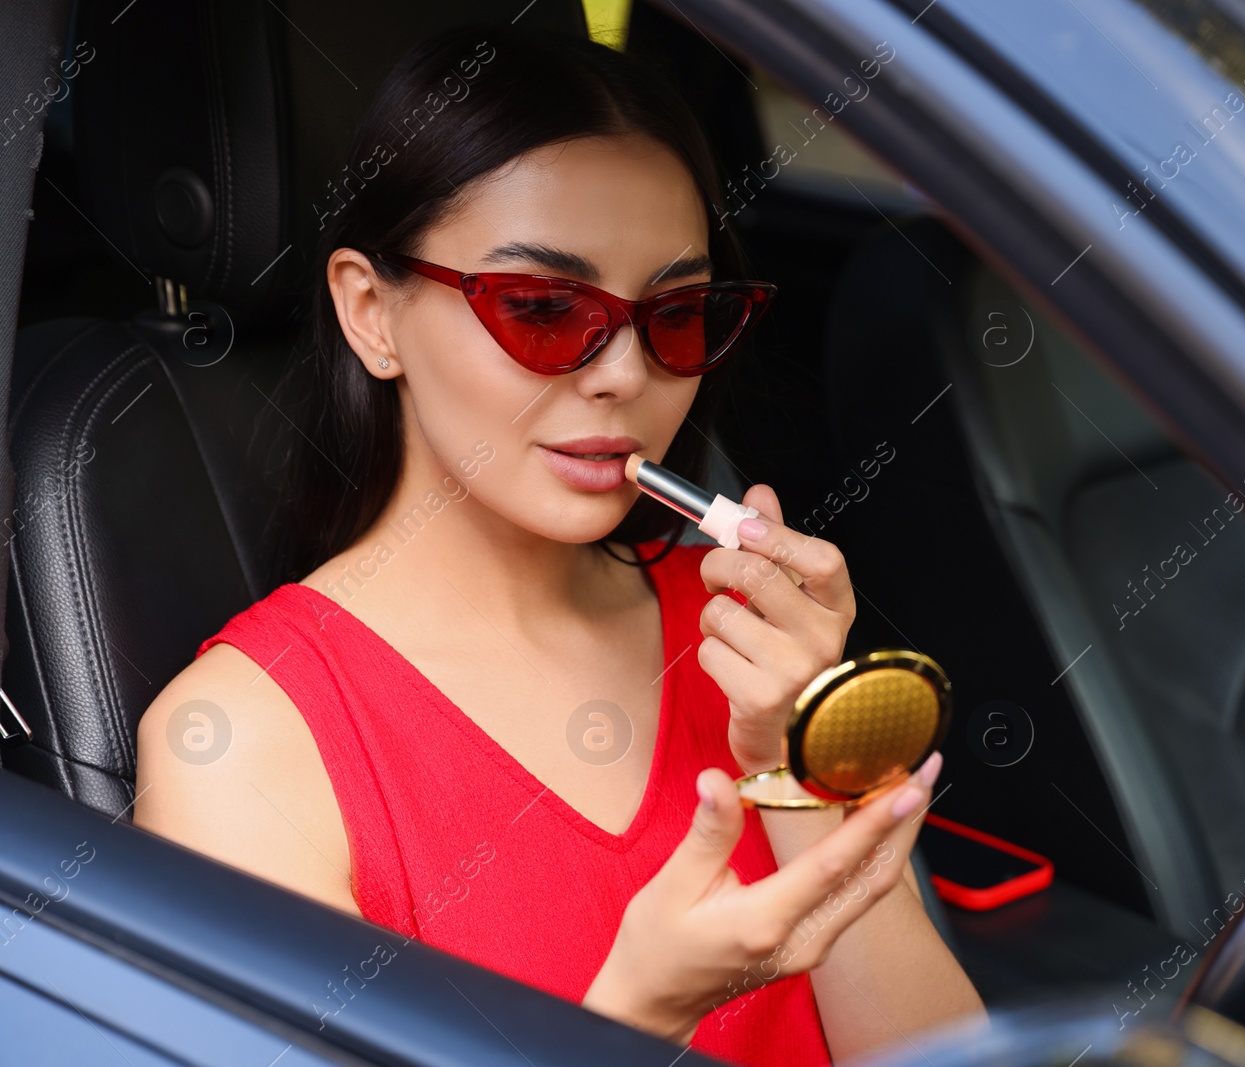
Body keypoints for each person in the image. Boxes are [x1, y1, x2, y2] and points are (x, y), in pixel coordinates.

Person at [132, 23, 983, 1066]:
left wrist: (802, 763)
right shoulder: (240, 747)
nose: (625, 373)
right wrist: (633, 1017)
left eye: (674, 314)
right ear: (371, 313)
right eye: (542, 308)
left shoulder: (744, 641)